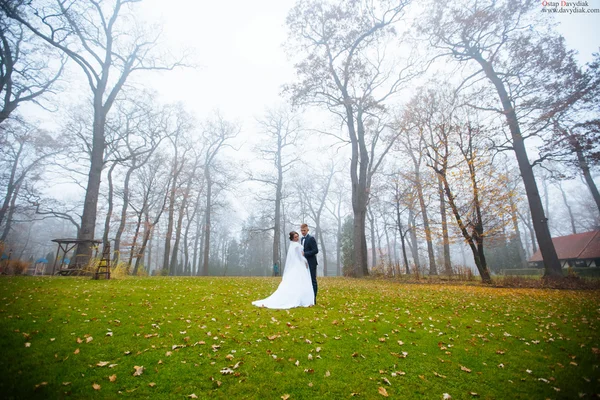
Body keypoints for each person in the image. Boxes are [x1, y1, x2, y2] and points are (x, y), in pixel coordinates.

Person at [252, 231, 314, 309]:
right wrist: (305, 262)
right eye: (295, 237)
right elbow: (300, 257)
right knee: (300, 281)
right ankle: (300, 298)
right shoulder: (297, 246)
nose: (297, 238)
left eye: (297, 236)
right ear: (292, 238)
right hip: (299, 265)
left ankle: (298, 297)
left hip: (296, 265)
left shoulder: (292, 245)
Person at [300, 223, 319, 305]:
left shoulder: (311, 238)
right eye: (301, 231)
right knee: (306, 281)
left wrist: (305, 253)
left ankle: (313, 298)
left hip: (311, 263)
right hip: (304, 263)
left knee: (313, 280)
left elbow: (316, 250)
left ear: (307, 230)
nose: (303, 232)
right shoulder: (301, 239)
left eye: (304, 230)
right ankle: (307, 298)